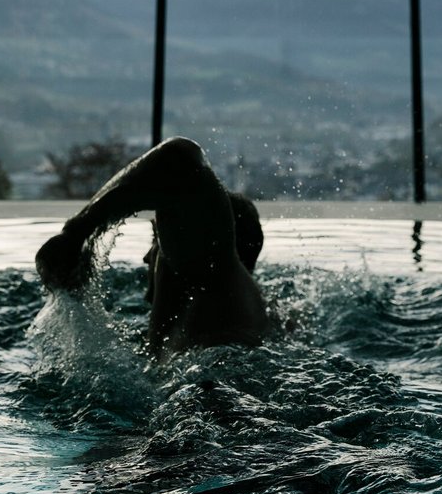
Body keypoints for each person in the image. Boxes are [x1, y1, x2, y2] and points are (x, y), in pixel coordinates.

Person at [36, 137, 270, 355]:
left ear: (194, 245)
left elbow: (180, 157)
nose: (147, 258)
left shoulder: (213, 281)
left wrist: (75, 235)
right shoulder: (239, 318)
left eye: (156, 240)